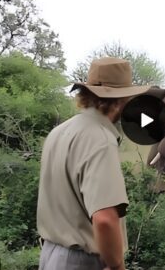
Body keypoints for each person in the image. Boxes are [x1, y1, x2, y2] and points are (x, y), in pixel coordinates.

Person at [37, 57, 150, 270]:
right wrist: (116, 266)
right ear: (120, 100)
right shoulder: (100, 138)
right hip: (81, 262)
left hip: (50, 254)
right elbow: (105, 218)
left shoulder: (59, 132)